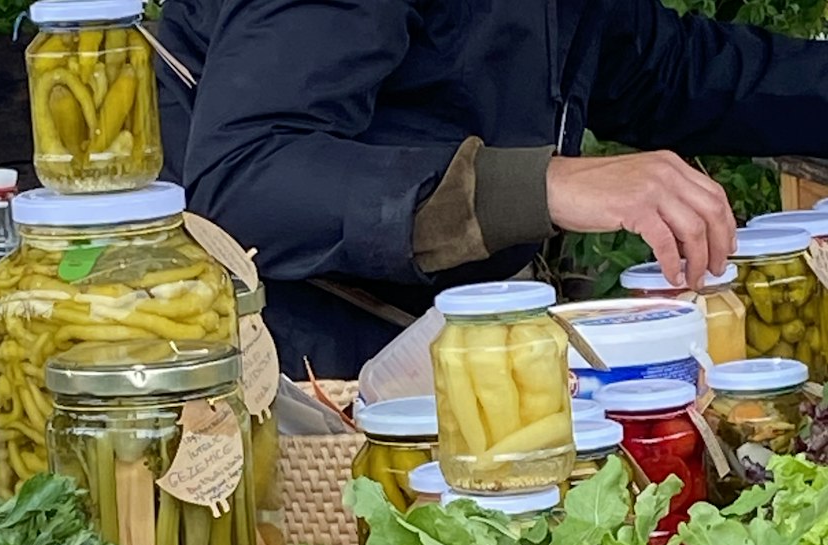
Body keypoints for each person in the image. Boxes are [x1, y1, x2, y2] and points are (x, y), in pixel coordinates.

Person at [157, 0, 828, 378]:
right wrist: (537, 187)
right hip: (286, 378)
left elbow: (667, 69)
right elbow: (248, 175)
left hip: (447, 354)